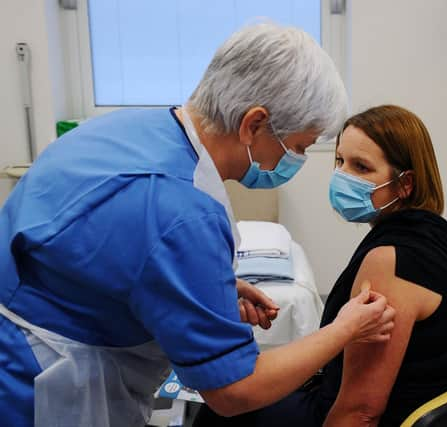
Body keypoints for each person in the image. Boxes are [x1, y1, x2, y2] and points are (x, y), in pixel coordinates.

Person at [0, 24, 395, 427]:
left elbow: (95, 248)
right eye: (297, 146)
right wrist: (344, 330)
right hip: (40, 384)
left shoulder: (126, 129)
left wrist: (202, 289)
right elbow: (233, 391)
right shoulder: (183, 214)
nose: (295, 160)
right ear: (254, 124)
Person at [194, 105, 447, 427]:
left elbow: (360, 412)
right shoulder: (444, 235)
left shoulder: (390, 261)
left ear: (405, 184)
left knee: (219, 412)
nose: (343, 177)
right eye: (340, 161)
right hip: (389, 400)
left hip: (365, 416)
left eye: (361, 167)